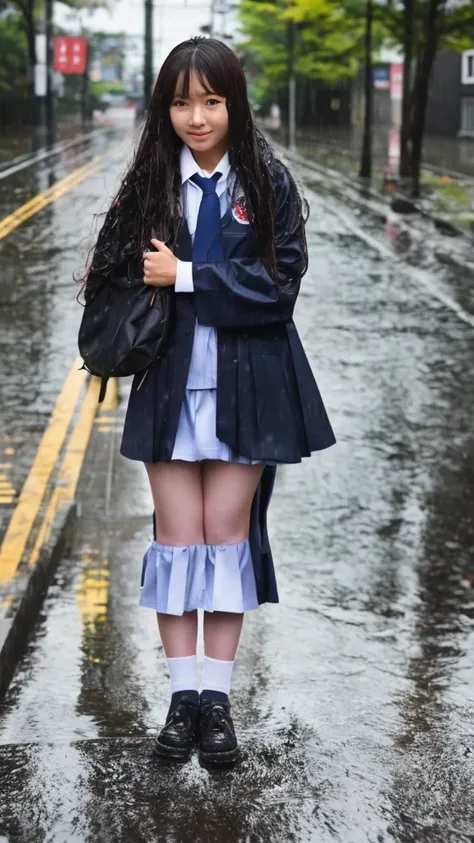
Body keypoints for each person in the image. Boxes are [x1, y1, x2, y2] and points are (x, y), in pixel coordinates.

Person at [82, 36, 335, 768]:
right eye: (182, 102)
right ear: (165, 107)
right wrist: (140, 278)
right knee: (177, 541)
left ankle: (216, 701)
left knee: (227, 539)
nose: (197, 117)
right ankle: (182, 695)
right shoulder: (149, 186)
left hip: (251, 387)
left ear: (233, 103)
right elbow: (112, 280)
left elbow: (278, 292)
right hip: (168, 385)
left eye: (211, 101)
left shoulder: (266, 182)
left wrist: (188, 276)